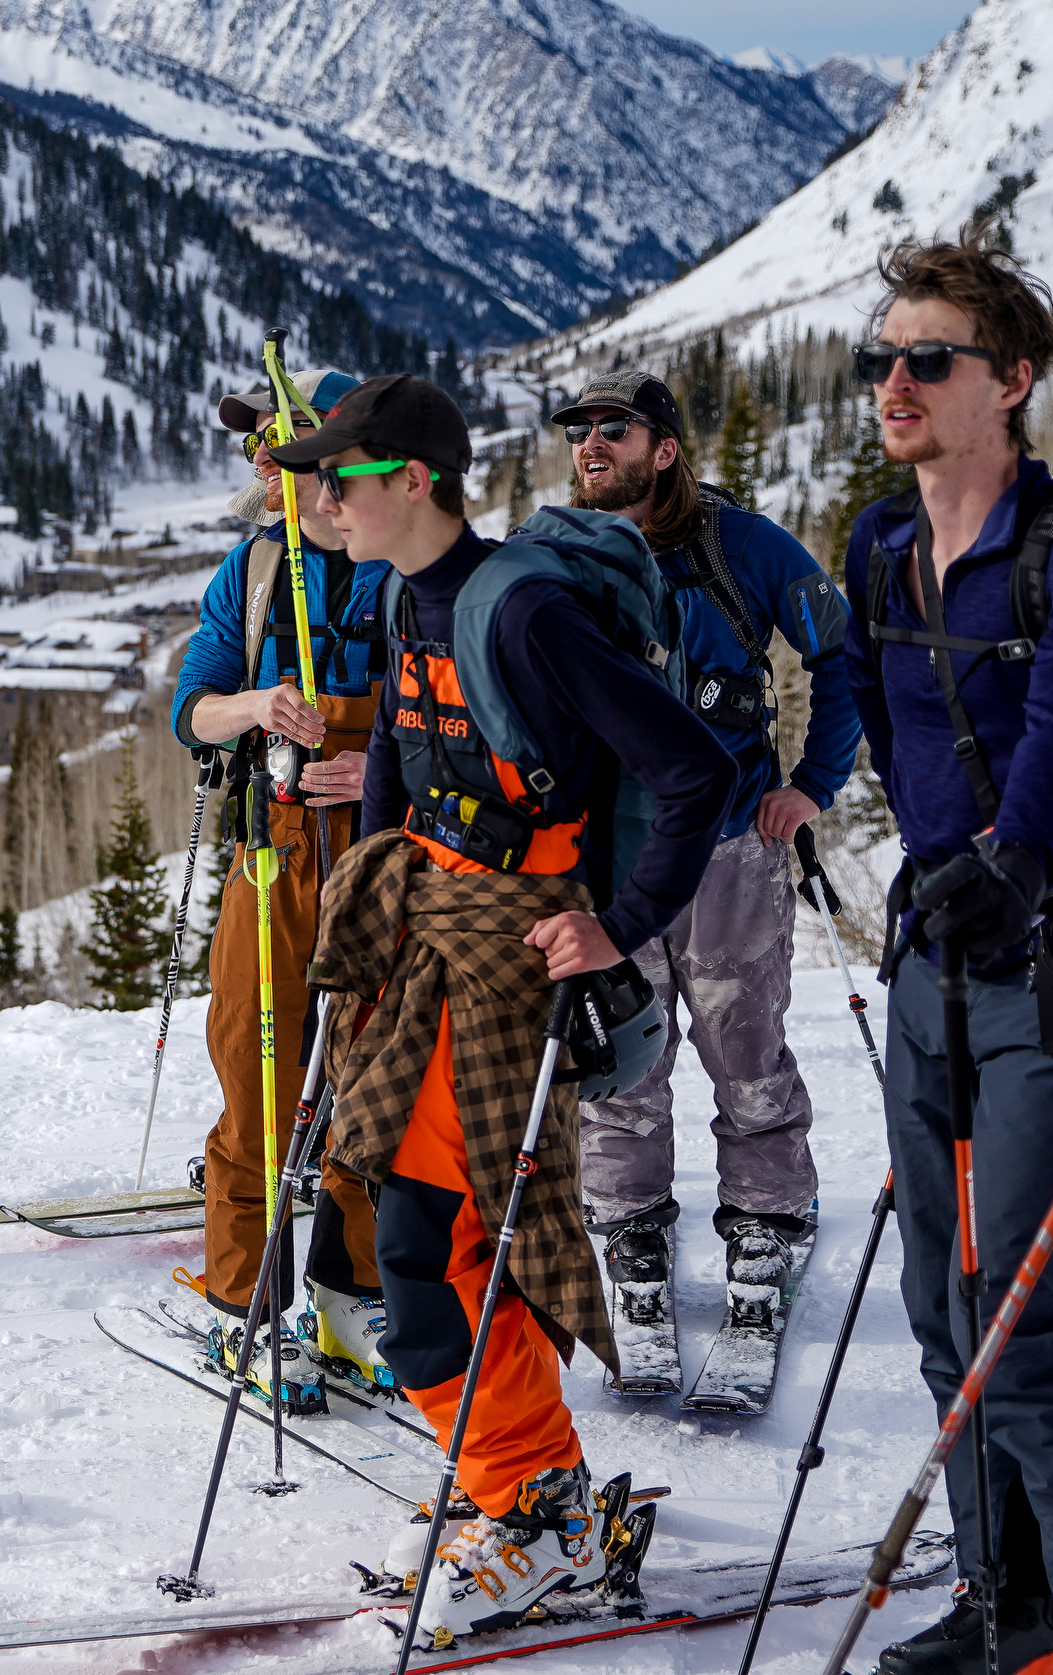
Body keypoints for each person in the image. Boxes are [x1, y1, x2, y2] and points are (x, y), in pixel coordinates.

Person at [271, 374, 736, 1634]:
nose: (323, 499)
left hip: (511, 957)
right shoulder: (409, 594)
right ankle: (524, 1486)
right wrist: (372, 895)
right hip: (432, 938)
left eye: (343, 478)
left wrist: (615, 925)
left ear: (410, 479)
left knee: (439, 1251)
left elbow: (694, 769)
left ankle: (535, 1511)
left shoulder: (521, 611)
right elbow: (399, 769)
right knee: (426, 1241)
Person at [842, 242, 1053, 1669]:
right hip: (930, 968)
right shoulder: (875, 544)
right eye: (882, 359)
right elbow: (890, 727)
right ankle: (1000, 1600)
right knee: (937, 1308)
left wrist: (1018, 859)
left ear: (1012, 382)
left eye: (931, 360)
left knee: (1020, 1318)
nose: (895, 384)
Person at [551, 368, 860, 1345]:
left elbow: (837, 653)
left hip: (730, 845)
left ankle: (769, 1213)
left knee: (743, 1041)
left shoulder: (742, 544)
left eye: (615, 429)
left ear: (666, 447)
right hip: (616, 850)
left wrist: (812, 780)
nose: (591, 444)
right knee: (620, 1051)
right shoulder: (559, 551)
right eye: (579, 430)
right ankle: (628, 1217)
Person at [168, 368, 390, 1389]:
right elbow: (191, 710)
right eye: (251, 441)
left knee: (372, 1086)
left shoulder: (399, 564)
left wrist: (378, 758)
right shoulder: (250, 570)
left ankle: (351, 1305)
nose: (259, 456)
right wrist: (256, 703)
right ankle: (242, 1304)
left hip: (384, 853)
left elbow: (460, 709)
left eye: (278, 437)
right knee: (257, 1071)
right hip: (277, 847)